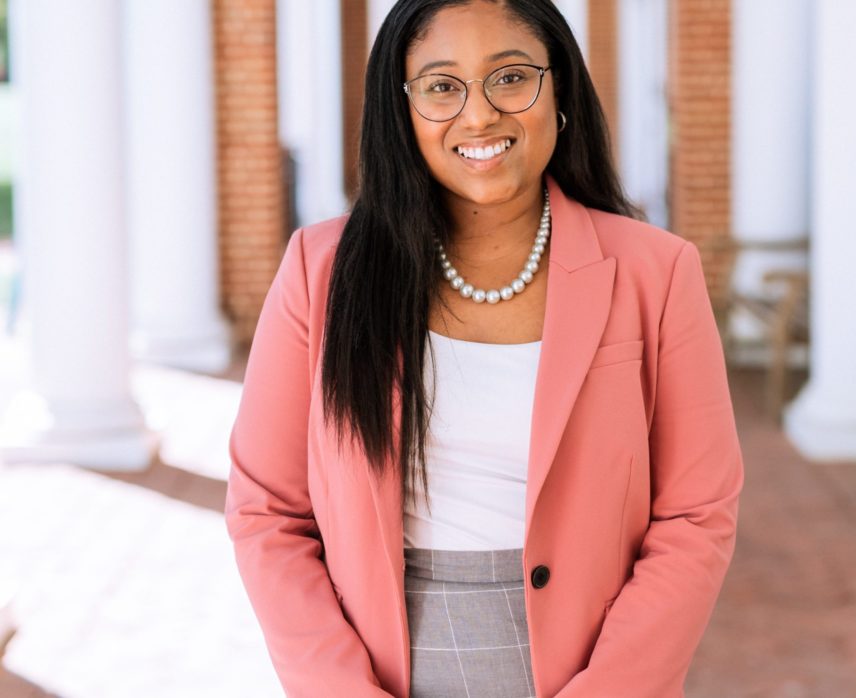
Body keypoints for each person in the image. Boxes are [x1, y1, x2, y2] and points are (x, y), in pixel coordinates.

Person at [224, 0, 745, 696]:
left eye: (510, 78)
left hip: (593, 672)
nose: (478, 117)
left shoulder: (656, 271)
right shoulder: (321, 272)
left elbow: (696, 514)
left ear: (559, 91)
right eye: (442, 86)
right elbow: (267, 513)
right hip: (379, 674)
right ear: (401, 110)